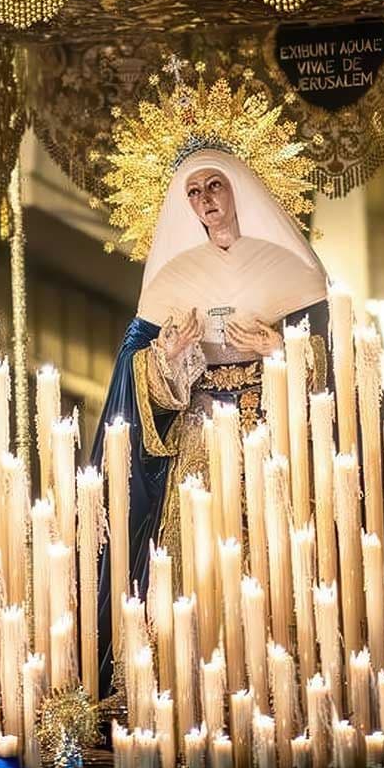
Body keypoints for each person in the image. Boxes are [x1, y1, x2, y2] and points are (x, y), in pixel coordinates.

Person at [87, 147, 331, 696]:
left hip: (269, 441)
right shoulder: (171, 280)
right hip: (197, 443)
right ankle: (191, 689)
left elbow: (337, 365)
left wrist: (282, 348)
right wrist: (171, 355)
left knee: (268, 564)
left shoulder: (295, 270)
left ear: (239, 188)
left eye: (214, 185)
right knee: (191, 568)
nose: (205, 200)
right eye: (193, 193)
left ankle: (279, 685)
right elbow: (136, 378)